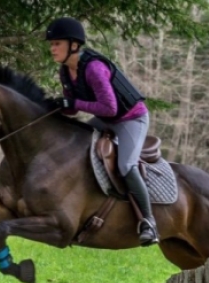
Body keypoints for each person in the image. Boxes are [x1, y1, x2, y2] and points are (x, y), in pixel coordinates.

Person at [45, 17, 159, 247]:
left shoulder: (94, 69)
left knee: (126, 165)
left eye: (57, 43)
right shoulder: (66, 71)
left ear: (74, 45)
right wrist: (56, 107)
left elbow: (110, 107)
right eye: (51, 44)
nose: (52, 48)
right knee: (74, 143)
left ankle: (149, 222)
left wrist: (73, 103)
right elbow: (73, 108)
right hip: (106, 119)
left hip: (130, 119)